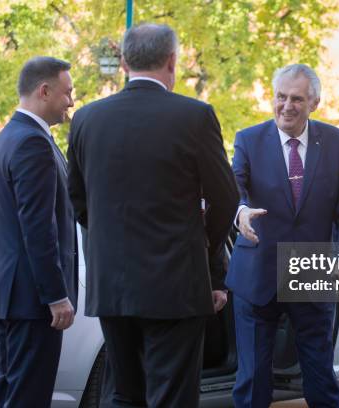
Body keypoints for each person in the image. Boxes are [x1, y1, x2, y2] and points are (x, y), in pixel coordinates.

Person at [67, 23, 238, 408]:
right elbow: (226, 198)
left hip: (111, 284)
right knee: (172, 395)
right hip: (175, 284)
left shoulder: (87, 119)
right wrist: (203, 246)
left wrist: (113, 241)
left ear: (124, 61)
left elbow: (77, 198)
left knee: (123, 393)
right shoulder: (194, 116)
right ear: (172, 60)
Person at [227, 63, 339, 408]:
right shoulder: (248, 139)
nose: (286, 106)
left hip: (313, 273)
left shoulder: (337, 143)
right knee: (253, 381)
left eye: (297, 99)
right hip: (257, 272)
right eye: (281, 97)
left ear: (314, 103)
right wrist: (241, 211)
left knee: (320, 379)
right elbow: (234, 187)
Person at [0, 56, 78, 407]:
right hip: (32, 302)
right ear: (44, 91)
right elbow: (38, 228)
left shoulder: (9, 137)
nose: (71, 101)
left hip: (13, 297)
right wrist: (56, 296)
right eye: (67, 92)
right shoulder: (31, 143)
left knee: (11, 394)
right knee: (28, 399)